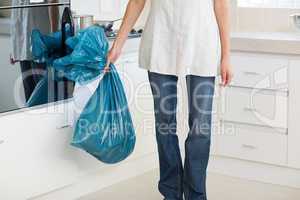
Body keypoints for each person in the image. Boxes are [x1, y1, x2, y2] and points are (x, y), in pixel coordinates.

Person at [107, 0, 233, 199]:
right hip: (161, 40)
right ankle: (171, 192)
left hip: (202, 43)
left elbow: (221, 5)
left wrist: (226, 54)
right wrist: (118, 43)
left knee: (201, 128)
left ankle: (196, 195)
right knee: (164, 124)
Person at [10, 0, 59, 102]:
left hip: (41, 42)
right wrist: (15, 46)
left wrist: (54, 38)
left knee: (43, 97)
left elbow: (53, 2)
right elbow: (17, 9)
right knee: (29, 96)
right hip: (22, 45)